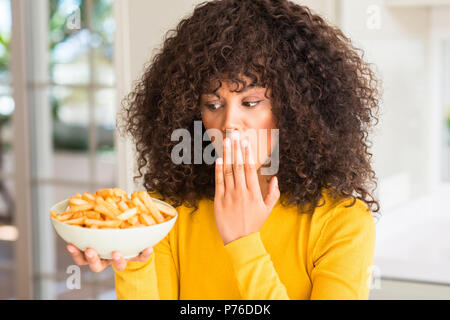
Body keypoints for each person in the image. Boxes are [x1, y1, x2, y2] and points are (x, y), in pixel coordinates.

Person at [67, 0, 381, 300]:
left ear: (298, 109)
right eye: (213, 105)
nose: (229, 123)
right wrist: (131, 259)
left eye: (251, 102)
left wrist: (244, 244)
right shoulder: (165, 213)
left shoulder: (341, 222)